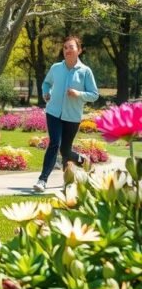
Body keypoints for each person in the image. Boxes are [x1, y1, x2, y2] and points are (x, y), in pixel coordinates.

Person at [32, 35, 98, 193]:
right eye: (65, 47)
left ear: (79, 50)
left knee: (65, 151)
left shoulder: (85, 71)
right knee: (54, 143)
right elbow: (46, 83)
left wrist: (78, 94)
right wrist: (46, 92)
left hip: (72, 117)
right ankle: (42, 180)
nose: (67, 50)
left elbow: (94, 94)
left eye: (71, 47)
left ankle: (82, 161)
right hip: (53, 112)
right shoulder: (56, 68)